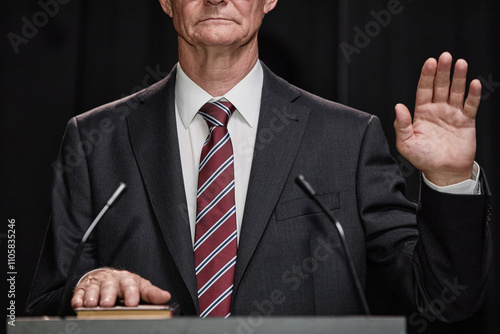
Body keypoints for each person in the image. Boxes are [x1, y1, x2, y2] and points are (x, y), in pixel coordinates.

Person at [27, 0, 491, 322]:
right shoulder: (94, 140)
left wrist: (449, 181)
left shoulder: (348, 140)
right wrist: (88, 282)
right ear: (166, 3)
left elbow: (442, 300)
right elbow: (41, 303)